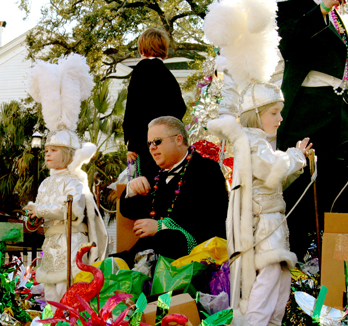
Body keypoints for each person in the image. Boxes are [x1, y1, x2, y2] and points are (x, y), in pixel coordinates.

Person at [208, 83, 312, 326]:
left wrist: (296, 167)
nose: (280, 118)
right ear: (256, 114)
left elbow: (273, 181)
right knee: (268, 282)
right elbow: (273, 169)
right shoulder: (252, 143)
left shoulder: (259, 144)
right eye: (274, 112)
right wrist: (296, 155)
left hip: (271, 223)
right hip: (264, 225)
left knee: (279, 281)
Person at [24, 54, 108, 304]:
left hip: (72, 248)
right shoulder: (45, 183)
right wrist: (33, 217)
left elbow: (71, 210)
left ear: (69, 153)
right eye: (47, 150)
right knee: (50, 298)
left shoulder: (75, 181)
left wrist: (40, 209)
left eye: (54, 150)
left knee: (69, 297)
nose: (47, 153)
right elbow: (42, 218)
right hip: (51, 247)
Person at [277, 0, 348, 260]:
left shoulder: (339, 17)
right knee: (300, 186)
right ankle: (292, 262)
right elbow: (288, 44)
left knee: (337, 186)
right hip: (307, 113)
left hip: (337, 111)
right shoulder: (290, 5)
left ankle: (334, 264)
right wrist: (320, 10)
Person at [116, 116, 229, 268]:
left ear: (178, 140)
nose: (152, 147)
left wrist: (161, 227)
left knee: (163, 240)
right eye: (149, 143)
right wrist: (131, 188)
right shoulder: (152, 171)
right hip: (147, 252)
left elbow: (212, 222)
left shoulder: (207, 170)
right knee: (109, 266)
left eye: (157, 141)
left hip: (191, 257)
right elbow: (130, 211)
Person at [123, 28, 187, 172]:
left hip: (146, 143)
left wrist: (132, 145)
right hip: (168, 142)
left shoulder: (140, 70)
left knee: (146, 183)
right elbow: (180, 107)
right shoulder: (167, 74)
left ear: (143, 48)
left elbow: (133, 108)